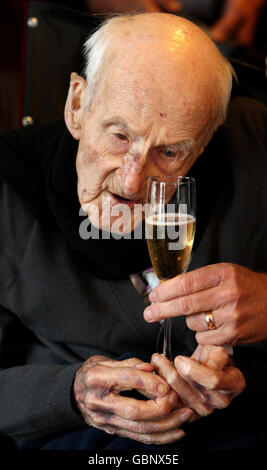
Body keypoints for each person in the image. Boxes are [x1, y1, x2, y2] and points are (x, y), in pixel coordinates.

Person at [0, 12, 266, 451]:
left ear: (205, 140)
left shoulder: (255, 142)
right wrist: (71, 394)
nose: (131, 181)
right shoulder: (8, 187)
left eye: (169, 152)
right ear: (76, 105)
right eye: (120, 136)